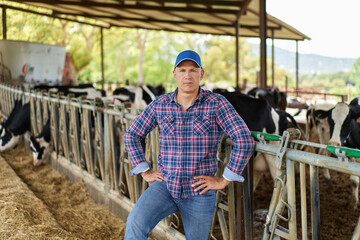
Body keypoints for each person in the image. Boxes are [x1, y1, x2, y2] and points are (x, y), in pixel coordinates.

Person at [123, 50, 255, 240]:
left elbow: (244, 139)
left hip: (199, 190)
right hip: (165, 185)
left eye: (193, 70)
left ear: (201, 74)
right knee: (135, 222)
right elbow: (132, 134)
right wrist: (145, 171)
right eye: (182, 70)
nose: (187, 75)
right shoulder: (161, 104)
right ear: (174, 74)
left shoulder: (216, 104)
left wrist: (223, 180)